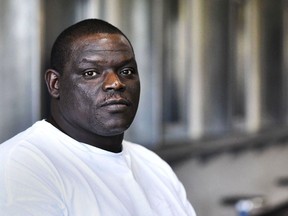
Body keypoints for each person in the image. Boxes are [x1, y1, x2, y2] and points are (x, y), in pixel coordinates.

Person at [0, 19, 196, 216]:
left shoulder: (153, 166)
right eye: (91, 73)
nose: (116, 83)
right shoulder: (21, 166)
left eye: (126, 71)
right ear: (55, 84)